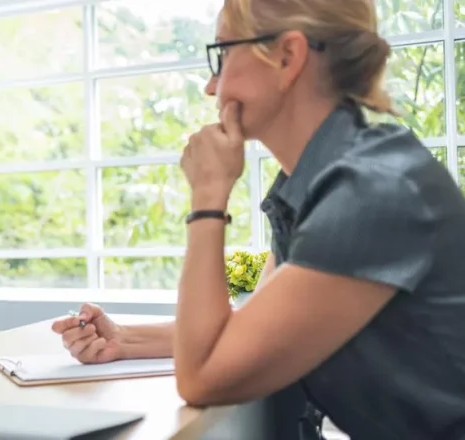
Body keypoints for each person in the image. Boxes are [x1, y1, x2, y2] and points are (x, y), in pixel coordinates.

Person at [52, 0, 465, 438]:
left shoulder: (372, 194)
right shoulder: (324, 184)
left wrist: (208, 197)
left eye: (223, 55)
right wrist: (123, 339)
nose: (212, 86)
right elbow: (247, 332)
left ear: (287, 57)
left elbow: (205, 377)